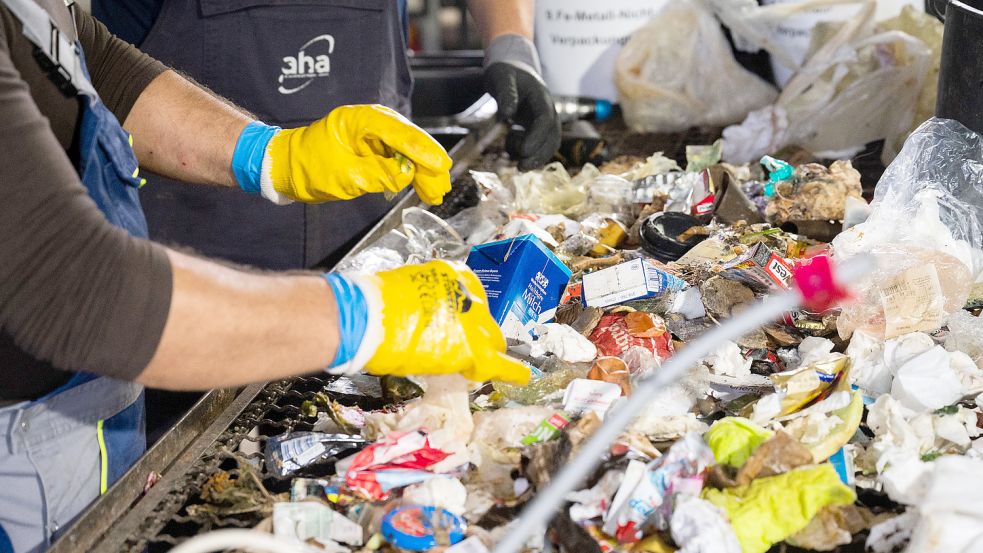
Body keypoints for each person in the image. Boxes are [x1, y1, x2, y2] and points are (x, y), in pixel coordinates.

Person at [0, 1, 532, 551]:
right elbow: (74, 291)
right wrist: (359, 318)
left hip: (99, 403)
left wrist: (273, 154)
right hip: (23, 449)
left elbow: (94, 59)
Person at [91, 0, 562, 270]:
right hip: (187, 253)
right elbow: (92, 63)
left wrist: (511, 43)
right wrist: (270, 158)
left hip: (375, 228)